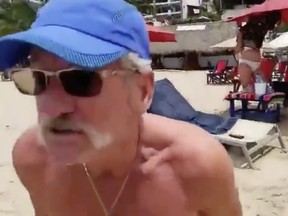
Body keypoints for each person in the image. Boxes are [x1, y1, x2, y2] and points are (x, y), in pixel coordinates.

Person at [0, 0, 242, 215]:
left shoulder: (197, 167)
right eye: (38, 79)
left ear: (142, 91)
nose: (51, 108)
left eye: (80, 79)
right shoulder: (32, 159)